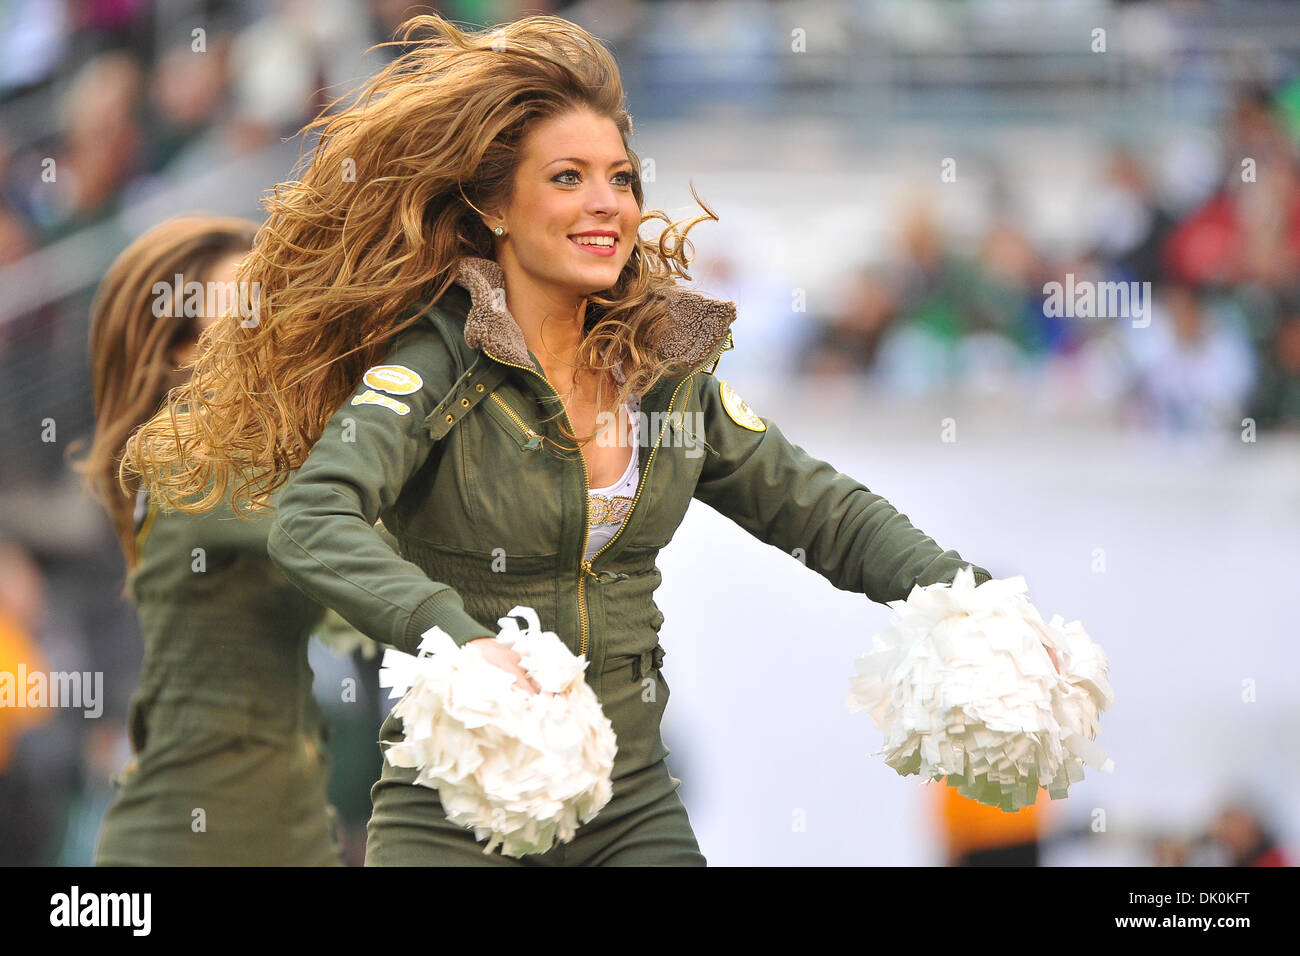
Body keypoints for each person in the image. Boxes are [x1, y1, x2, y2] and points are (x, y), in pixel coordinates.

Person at [122, 15, 993, 866]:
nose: (606, 203)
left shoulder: (662, 371)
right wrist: (460, 640)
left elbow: (819, 506)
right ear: (496, 206)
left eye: (620, 177)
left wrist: (965, 599)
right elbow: (312, 517)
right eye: (568, 178)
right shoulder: (434, 364)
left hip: (626, 797)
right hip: (457, 806)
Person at [75, 216, 344, 865]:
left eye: (273, 303)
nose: (275, 326)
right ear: (179, 349)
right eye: (245, 312)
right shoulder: (186, 454)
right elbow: (359, 542)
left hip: (294, 833)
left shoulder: (263, 454)